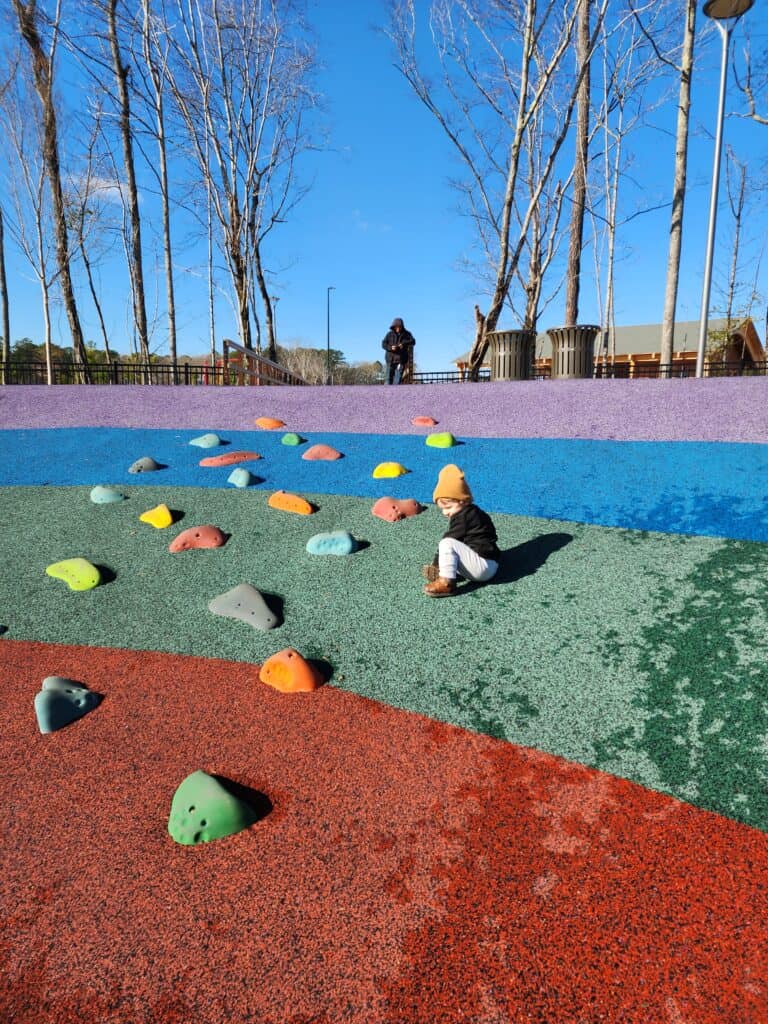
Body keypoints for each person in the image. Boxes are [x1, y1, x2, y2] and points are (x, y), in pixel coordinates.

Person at [422, 464, 499, 598]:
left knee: (447, 543)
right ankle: (450, 572)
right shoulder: (476, 512)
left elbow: (451, 538)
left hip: (481, 568)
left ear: (462, 501)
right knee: (456, 545)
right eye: (442, 509)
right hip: (492, 564)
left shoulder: (463, 515)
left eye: (448, 507)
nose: (445, 512)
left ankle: (447, 583)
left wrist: (436, 564)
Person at [381, 317, 415, 385]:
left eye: (399, 327)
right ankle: (386, 394)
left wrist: (404, 344)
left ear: (402, 326)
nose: (398, 329)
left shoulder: (407, 334)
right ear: (393, 326)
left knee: (397, 380)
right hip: (390, 359)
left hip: (401, 360)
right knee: (388, 380)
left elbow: (413, 341)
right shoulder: (389, 334)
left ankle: (396, 394)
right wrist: (391, 348)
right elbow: (383, 344)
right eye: (396, 327)